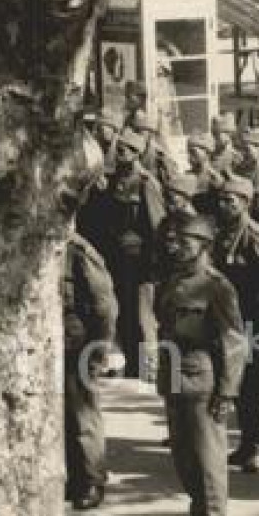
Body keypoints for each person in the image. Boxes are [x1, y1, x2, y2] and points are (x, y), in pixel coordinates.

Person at [155, 215, 245, 516]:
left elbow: (234, 341)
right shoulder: (173, 280)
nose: (177, 246)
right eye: (176, 240)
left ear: (204, 246)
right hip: (174, 371)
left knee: (209, 456)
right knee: (183, 455)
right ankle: (196, 515)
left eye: (186, 241)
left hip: (200, 373)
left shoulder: (217, 286)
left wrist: (227, 390)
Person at [78, 128, 164, 381]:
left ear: (137, 154)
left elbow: (157, 226)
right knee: (122, 312)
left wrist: (152, 260)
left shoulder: (147, 184)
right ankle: (129, 366)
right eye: (120, 148)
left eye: (126, 150)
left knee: (142, 316)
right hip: (117, 259)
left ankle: (150, 367)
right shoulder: (113, 180)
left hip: (141, 263)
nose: (120, 153)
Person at [213, 175, 259, 474]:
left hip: (256, 322)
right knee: (237, 383)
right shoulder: (222, 234)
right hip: (231, 322)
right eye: (222, 200)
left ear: (246, 203)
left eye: (230, 201)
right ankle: (245, 442)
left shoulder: (257, 239)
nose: (224, 205)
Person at [63, 220, 120, 510]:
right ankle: (72, 479)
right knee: (61, 417)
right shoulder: (41, 247)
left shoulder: (79, 252)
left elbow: (104, 306)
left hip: (79, 345)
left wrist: (100, 349)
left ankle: (92, 480)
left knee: (82, 416)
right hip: (51, 344)